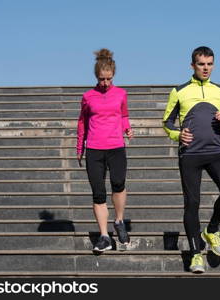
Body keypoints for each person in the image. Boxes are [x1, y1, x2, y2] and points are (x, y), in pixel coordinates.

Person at [162, 46, 220, 273]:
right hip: (190, 155)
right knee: (192, 203)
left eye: (210, 64)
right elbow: (167, 122)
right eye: (201, 64)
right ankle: (195, 254)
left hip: (215, 152)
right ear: (192, 65)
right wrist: (178, 134)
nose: (206, 68)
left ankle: (212, 230)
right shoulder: (179, 91)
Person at [77, 48, 133, 253]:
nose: (105, 83)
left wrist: (127, 128)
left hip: (116, 147)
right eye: (102, 79)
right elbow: (82, 122)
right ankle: (104, 236)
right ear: (96, 76)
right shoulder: (88, 96)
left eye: (108, 79)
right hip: (94, 148)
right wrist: (79, 148)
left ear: (113, 76)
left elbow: (124, 115)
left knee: (118, 184)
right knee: (98, 193)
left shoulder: (121, 93)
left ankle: (119, 221)